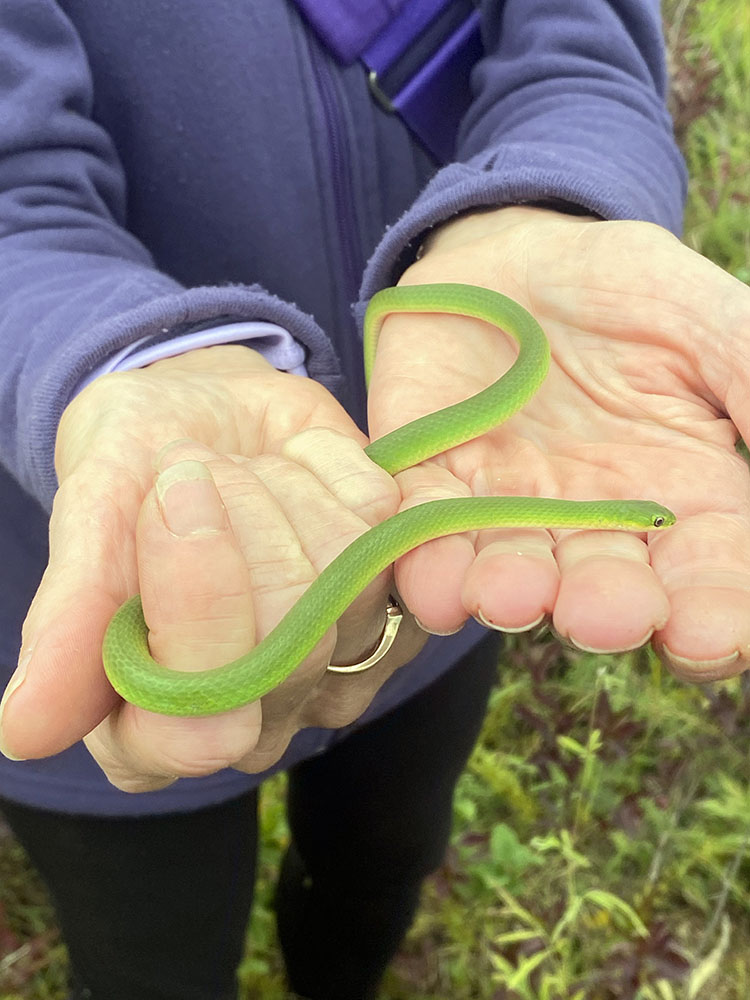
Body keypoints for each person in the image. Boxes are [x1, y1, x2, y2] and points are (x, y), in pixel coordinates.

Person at [1, 1, 749, 998]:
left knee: (381, 861)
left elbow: (583, 35)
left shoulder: (485, 522)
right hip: (91, 558)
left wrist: (550, 195)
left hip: (436, 597)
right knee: (154, 959)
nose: (649, 522)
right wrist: (118, 364)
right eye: (647, 519)